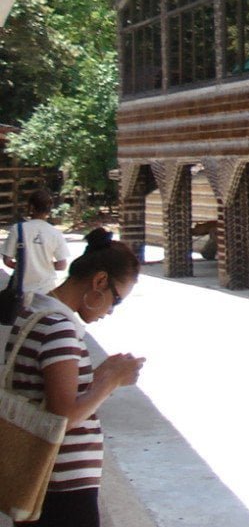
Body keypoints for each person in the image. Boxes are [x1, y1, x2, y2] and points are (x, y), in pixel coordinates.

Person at [3, 228, 144, 527]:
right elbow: (63, 416)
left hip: (44, 479)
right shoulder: (58, 328)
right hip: (61, 485)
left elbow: (44, 393)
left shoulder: (35, 313)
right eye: (115, 300)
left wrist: (101, 374)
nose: (111, 311)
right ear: (100, 281)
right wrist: (110, 381)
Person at [3, 189, 73, 310]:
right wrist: (45, 265)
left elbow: (7, 260)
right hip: (47, 291)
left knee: (21, 325)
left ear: (31, 207)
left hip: (22, 291)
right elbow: (62, 265)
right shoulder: (55, 233)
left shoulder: (18, 229)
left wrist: (24, 266)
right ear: (49, 209)